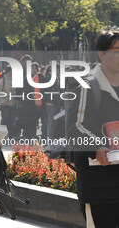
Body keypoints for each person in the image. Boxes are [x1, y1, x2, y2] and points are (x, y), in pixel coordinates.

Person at [67, 27, 119, 227]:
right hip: (100, 188)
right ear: (101, 54)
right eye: (116, 51)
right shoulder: (89, 87)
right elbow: (75, 128)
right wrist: (98, 147)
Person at [0, 65, 17, 134]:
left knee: (11, 120)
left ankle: (10, 134)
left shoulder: (16, 80)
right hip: (4, 104)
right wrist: (4, 95)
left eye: (12, 72)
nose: (10, 73)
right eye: (9, 72)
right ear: (6, 73)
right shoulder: (3, 80)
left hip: (13, 104)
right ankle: (2, 134)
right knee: (5, 120)